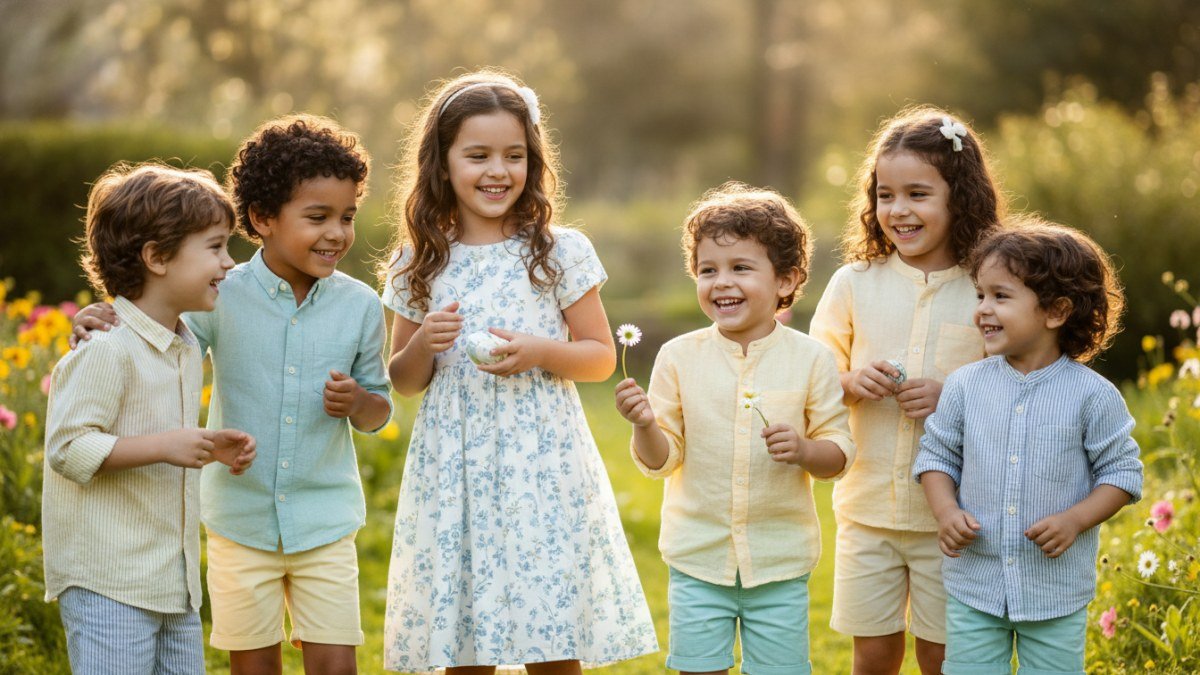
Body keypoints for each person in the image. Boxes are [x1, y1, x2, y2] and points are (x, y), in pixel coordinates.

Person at [72, 115, 393, 675]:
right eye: (317, 217)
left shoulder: (361, 305)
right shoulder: (221, 293)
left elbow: (379, 409)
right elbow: (162, 339)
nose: (337, 233)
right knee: (252, 665)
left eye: (347, 217)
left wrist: (358, 404)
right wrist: (103, 317)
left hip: (326, 519)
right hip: (238, 520)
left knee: (337, 665)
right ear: (263, 219)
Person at [381, 69, 658, 674]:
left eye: (514, 155)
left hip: (541, 462)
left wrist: (539, 352)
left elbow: (599, 356)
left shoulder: (558, 251)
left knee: (551, 629)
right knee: (465, 638)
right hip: (455, 464)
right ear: (442, 162)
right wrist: (425, 343)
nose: (497, 171)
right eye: (477, 155)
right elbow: (402, 379)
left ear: (533, 161)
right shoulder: (417, 262)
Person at [615, 182, 854, 675]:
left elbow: (839, 452)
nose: (721, 282)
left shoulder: (812, 360)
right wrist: (644, 426)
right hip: (698, 560)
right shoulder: (678, 357)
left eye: (741, 268)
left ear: (786, 280)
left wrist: (806, 450)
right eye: (708, 270)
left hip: (780, 564)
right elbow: (664, 459)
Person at [809, 106, 1003, 675]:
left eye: (918, 194)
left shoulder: (988, 286)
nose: (898, 210)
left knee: (942, 653)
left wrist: (953, 397)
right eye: (885, 194)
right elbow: (811, 374)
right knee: (872, 649)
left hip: (955, 517)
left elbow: (1020, 382)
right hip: (867, 508)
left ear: (959, 198)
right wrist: (849, 381)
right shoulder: (854, 283)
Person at [45, 162, 255, 674]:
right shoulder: (105, 351)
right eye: (214, 246)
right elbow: (67, 449)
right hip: (109, 584)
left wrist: (205, 445)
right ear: (157, 257)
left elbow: (162, 436)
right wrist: (166, 446)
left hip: (171, 584)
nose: (229, 263)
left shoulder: (181, 346)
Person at [913, 220, 1142, 674]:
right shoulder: (964, 386)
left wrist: (1075, 519)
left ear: (1055, 311)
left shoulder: (1091, 395)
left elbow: (1122, 474)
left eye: (1000, 296)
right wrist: (946, 513)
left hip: (1055, 591)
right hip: (975, 585)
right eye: (980, 294)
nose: (982, 309)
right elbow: (936, 457)